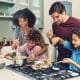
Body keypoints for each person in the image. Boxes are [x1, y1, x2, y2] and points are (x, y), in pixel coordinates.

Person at [46, 1, 80, 68]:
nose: (55, 20)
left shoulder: (77, 23)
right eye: (53, 18)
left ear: (63, 12)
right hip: (61, 60)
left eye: (57, 17)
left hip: (75, 61)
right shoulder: (55, 25)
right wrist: (50, 38)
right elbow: (54, 43)